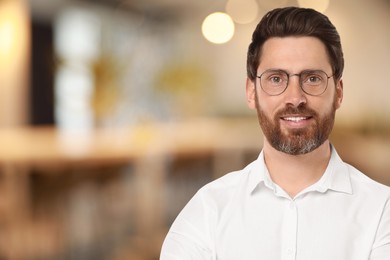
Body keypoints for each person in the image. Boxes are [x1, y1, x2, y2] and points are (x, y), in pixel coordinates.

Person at [160, 7, 390, 260]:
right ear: (251, 92)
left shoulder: (381, 212)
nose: (295, 98)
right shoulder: (207, 211)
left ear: (339, 92)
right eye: (276, 79)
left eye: (312, 78)